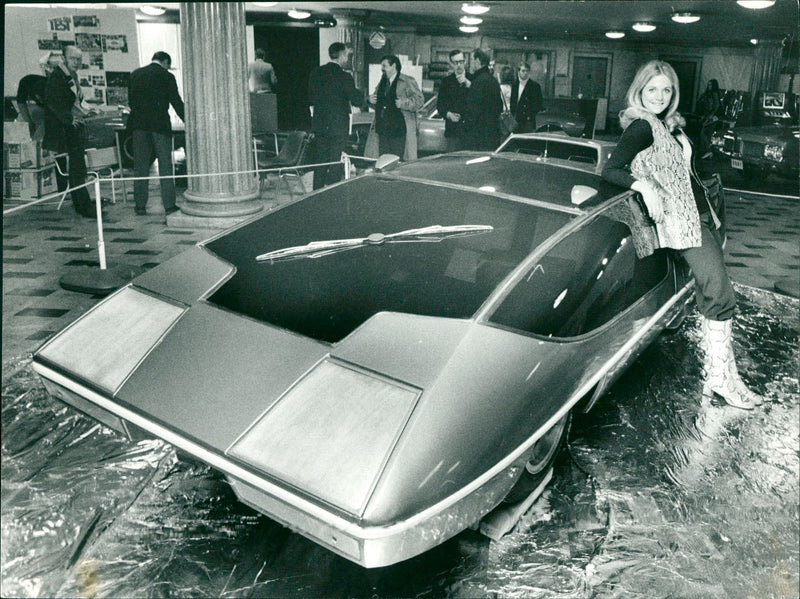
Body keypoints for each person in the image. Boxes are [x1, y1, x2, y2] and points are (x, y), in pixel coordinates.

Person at [601, 60, 763, 410]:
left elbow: (685, 175)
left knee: (708, 291)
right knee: (715, 290)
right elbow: (610, 168)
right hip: (673, 223)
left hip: (693, 218)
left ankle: (722, 378)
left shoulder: (665, 124)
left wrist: (711, 215)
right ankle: (721, 380)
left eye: (666, 90)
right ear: (639, 91)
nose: (659, 96)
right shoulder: (642, 126)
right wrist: (642, 186)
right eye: (652, 89)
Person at [127, 51, 185, 216]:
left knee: (141, 167)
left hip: (139, 126)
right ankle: (169, 206)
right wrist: (188, 119)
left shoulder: (135, 74)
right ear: (165, 62)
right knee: (165, 166)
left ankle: (140, 206)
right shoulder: (166, 76)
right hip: (159, 126)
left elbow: (131, 101)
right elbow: (176, 102)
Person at [42, 45, 96, 218]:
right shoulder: (57, 76)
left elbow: (77, 101)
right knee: (77, 169)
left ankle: (83, 204)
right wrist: (69, 119)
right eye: (73, 58)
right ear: (64, 58)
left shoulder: (70, 75)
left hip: (73, 128)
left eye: (79, 59)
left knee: (78, 169)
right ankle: (83, 206)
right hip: (66, 129)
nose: (77, 62)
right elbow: (52, 102)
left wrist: (88, 110)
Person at [307, 42, 363, 189]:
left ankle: (316, 193)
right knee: (335, 162)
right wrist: (362, 94)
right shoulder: (344, 77)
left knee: (321, 162)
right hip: (338, 126)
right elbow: (357, 100)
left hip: (319, 124)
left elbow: (311, 98)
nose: (348, 58)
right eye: (347, 55)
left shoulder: (316, 73)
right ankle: (332, 194)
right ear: (342, 55)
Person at [368, 54, 424, 160]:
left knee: (397, 161)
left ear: (394, 66)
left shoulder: (407, 81)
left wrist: (403, 103)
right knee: (383, 161)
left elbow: (420, 100)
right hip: (382, 129)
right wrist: (370, 100)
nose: (382, 69)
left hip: (399, 130)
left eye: (384, 66)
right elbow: (376, 101)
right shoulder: (383, 82)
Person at [462, 48, 503, 152]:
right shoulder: (492, 80)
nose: (470, 63)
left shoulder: (478, 82)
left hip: (478, 136)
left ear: (478, 61)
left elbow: (472, 110)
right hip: (492, 133)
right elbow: (499, 106)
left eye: (472, 60)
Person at [17, 52, 63, 140]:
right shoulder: (26, 81)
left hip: (49, 114)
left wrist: (36, 139)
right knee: (22, 131)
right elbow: (21, 103)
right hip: (32, 110)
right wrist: (28, 123)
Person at [436, 49, 471, 152]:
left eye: (461, 61)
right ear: (451, 64)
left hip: (470, 132)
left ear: (465, 61)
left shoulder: (473, 79)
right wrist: (448, 114)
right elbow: (440, 106)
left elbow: (480, 102)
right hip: (452, 132)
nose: (459, 65)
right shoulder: (446, 82)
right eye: (456, 62)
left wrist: (469, 84)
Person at [511, 62, 543, 133]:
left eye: (527, 71)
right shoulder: (514, 85)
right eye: (523, 71)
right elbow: (512, 101)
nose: (525, 73)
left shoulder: (535, 86)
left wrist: (530, 115)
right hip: (515, 119)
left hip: (528, 121)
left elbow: (538, 103)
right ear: (518, 72)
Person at [697, 78, 723, 159]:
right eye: (708, 84)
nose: (709, 86)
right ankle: (708, 151)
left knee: (704, 133)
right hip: (709, 116)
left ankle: (709, 151)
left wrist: (711, 115)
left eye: (710, 85)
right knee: (706, 134)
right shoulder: (708, 94)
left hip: (713, 116)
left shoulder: (714, 94)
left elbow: (717, 105)